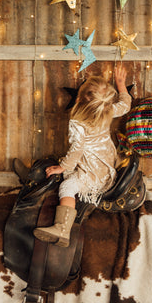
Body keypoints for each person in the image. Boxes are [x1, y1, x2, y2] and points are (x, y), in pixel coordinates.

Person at [33, 66, 131, 247]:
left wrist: (62, 167)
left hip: (92, 174)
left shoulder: (77, 122)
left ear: (78, 98)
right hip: (107, 165)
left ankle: (62, 228)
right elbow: (125, 105)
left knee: (66, 187)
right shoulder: (108, 111)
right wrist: (121, 85)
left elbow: (77, 150)